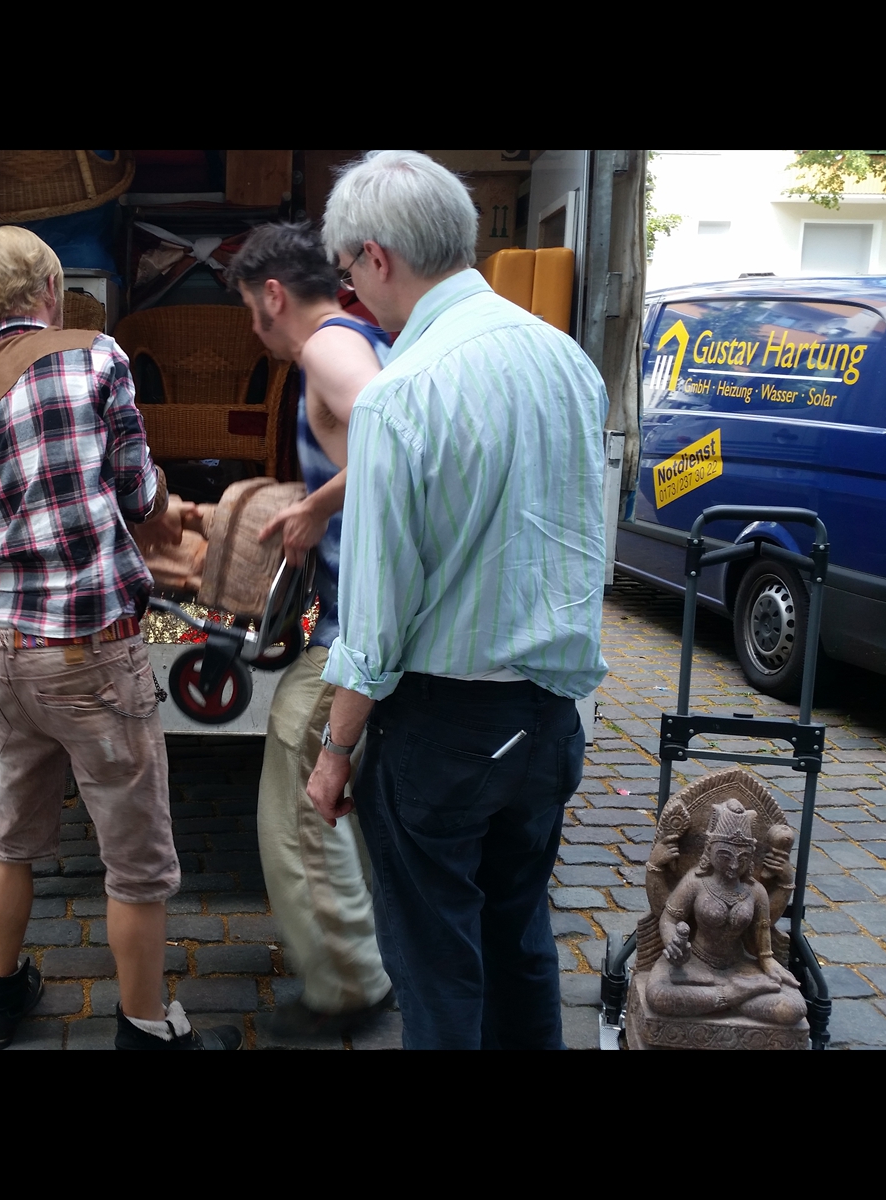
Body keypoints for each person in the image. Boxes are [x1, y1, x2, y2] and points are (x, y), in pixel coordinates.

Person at [309, 151, 609, 1049]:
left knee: (437, 969)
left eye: (350, 274)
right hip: (550, 721)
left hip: (442, 730)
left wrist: (335, 748)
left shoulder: (401, 395)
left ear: (376, 257)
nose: (355, 295)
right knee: (519, 942)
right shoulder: (567, 362)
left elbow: (374, 618)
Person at [0, 226, 240, 1050]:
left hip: (3, 651)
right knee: (136, 857)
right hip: (90, 649)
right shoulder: (94, 355)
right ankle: (144, 1025)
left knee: (12, 833)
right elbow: (138, 493)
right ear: (51, 291)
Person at [222, 222, 395, 1036]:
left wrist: (316, 506)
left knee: (299, 800)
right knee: (333, 802)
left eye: (251, 315)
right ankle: (366, 959)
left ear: (273, 296)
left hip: (358, 631)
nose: (255, 332)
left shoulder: (329, 350)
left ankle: (349, 984)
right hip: (365, 624)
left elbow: (399, 442)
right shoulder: (368, 334)